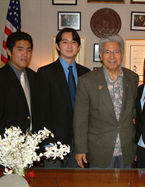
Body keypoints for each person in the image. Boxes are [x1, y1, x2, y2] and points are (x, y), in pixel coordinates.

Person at [73, 35, 139, 168]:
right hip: (99, 149)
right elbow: (80, 118)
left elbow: (135, 112)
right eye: (107, 52)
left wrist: (135, 146)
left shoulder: (132, 78)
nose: (112, 56)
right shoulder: (87, 81)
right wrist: (80, 148)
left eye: (116, 51)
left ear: (122, 54)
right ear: (101, 55)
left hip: (126, 148)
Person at [33, 28, 90, 168]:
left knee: (78, 181)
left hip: (80, 143)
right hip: (54, 144)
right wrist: (47, 143)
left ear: (79, 47)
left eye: (73, 42)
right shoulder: (45, 73)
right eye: (65, 42)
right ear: (57, 46)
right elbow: (40, 111)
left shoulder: (86, 73)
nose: (69, 46)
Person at [0, 31, 35, 135]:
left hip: (34, 143)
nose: (25, 54)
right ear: (8, 51)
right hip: (10, 145)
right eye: (20, 49)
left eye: (28, 50)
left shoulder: (35, 77)